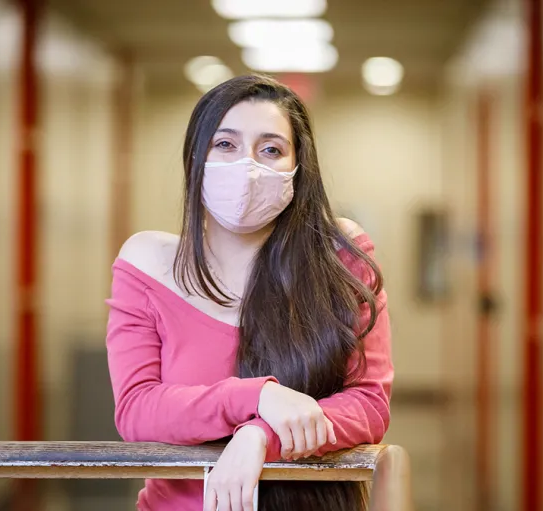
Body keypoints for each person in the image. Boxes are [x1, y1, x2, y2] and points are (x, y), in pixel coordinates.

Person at [104, 74, 393, 511]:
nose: (247, 166)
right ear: (197, 157)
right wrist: (257, 396)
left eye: (271, 149)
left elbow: (368, 405)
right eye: (226, 145)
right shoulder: (147, 262)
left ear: (299, 169)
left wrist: (261, 434)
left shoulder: (340, 257)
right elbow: (138, 410)